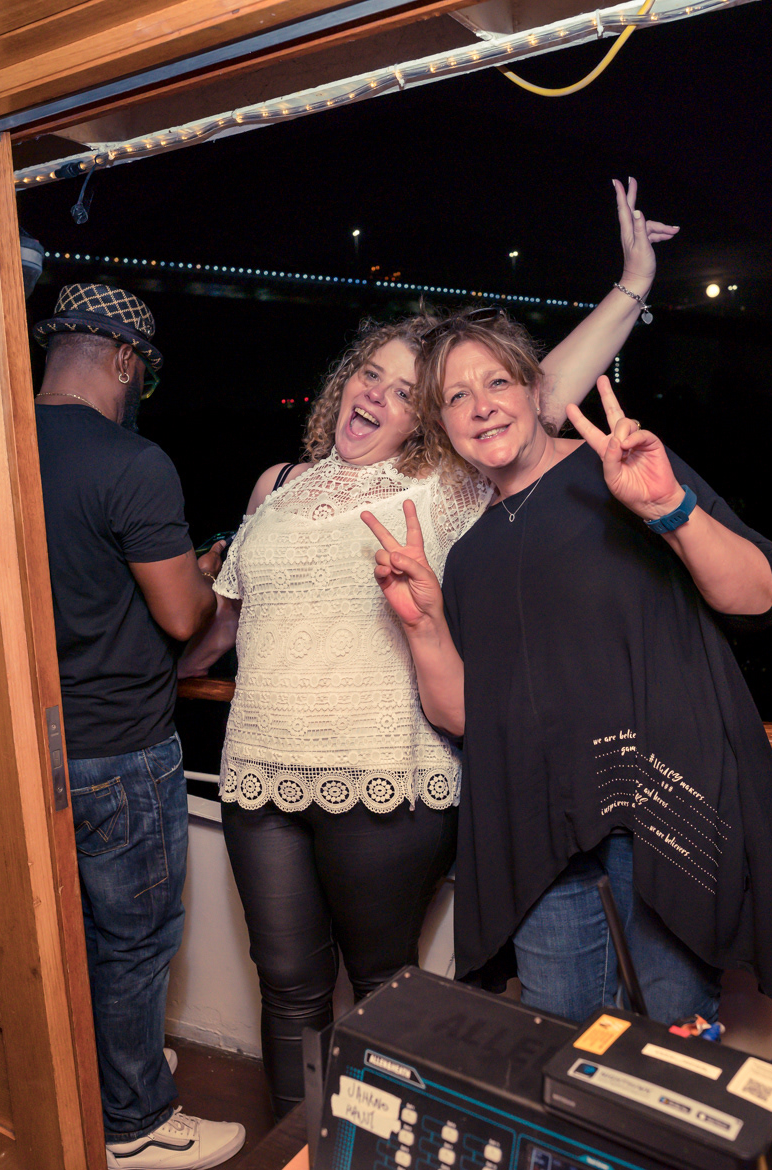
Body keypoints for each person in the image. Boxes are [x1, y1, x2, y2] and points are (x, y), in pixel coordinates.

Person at [178, 182, 677, 1116]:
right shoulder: (277, 483)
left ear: (424, 422)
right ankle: (302, 1161)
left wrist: (630, 285)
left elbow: (541, 393)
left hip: (385, 773)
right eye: (370, 374)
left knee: (381, 987)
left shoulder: (446, 485)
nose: (377, 395)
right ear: (345, 380)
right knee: (286, 986)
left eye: (407, 393)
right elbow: (224, 629)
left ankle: (376, 1160)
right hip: (257, 769)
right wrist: (138, 675)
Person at [365, 311, 772, 1027]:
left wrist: (668, 507)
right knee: (555, 1044)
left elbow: (759, 597)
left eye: (496, 382)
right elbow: (463, 717)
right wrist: (424, 625)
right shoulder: (469, 555)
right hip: (537, 834)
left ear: (536, 390)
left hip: (658, 810)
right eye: (456, 396)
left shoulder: (623, 474)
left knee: (665, 1043)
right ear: (442, 425)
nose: (481, 406)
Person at [30, 283, 245, 1170]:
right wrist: (205, 573)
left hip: (30, 743)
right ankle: (136, 1123)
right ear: (125, 362)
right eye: (142, 380)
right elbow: (181, 616)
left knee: (67, 931)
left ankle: (109, 1073)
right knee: (134, 938)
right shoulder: (133, 462)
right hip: (119, 746)